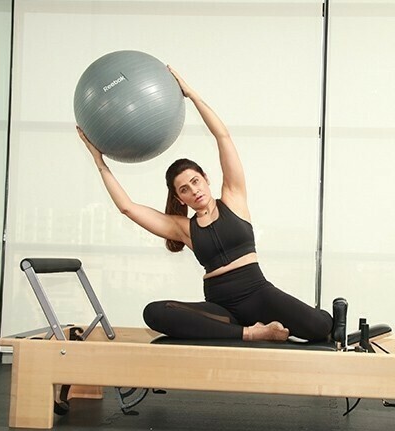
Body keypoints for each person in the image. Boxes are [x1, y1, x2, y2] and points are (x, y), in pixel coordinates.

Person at [77, 66, 333, 343]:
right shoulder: (183, 228)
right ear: (179, 198)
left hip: (259, 294)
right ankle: (252, 333)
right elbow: (127, 207)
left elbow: (223, 137)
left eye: (196, 181)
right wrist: (98, 160)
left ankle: (256, 329)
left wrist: (191, 94)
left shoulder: (234, 197)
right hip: (221, 307)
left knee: (321, 326)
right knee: (155, 313)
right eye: (184, 189)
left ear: (206, 179)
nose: (194, 191)